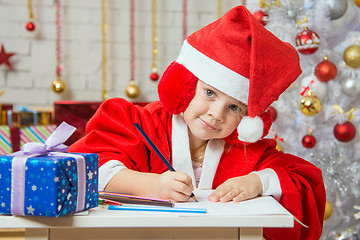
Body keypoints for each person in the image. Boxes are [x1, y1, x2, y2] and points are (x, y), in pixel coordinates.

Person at [69, 6, 326, 240]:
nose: (216, 114)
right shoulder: (140, 123)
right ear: (187, 84)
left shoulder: (249, 150)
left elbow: (303, 182)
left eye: (234, 107)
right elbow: (87, 168)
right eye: (210, 93)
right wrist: (153, 185)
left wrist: (257, 182)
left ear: (247, 120)